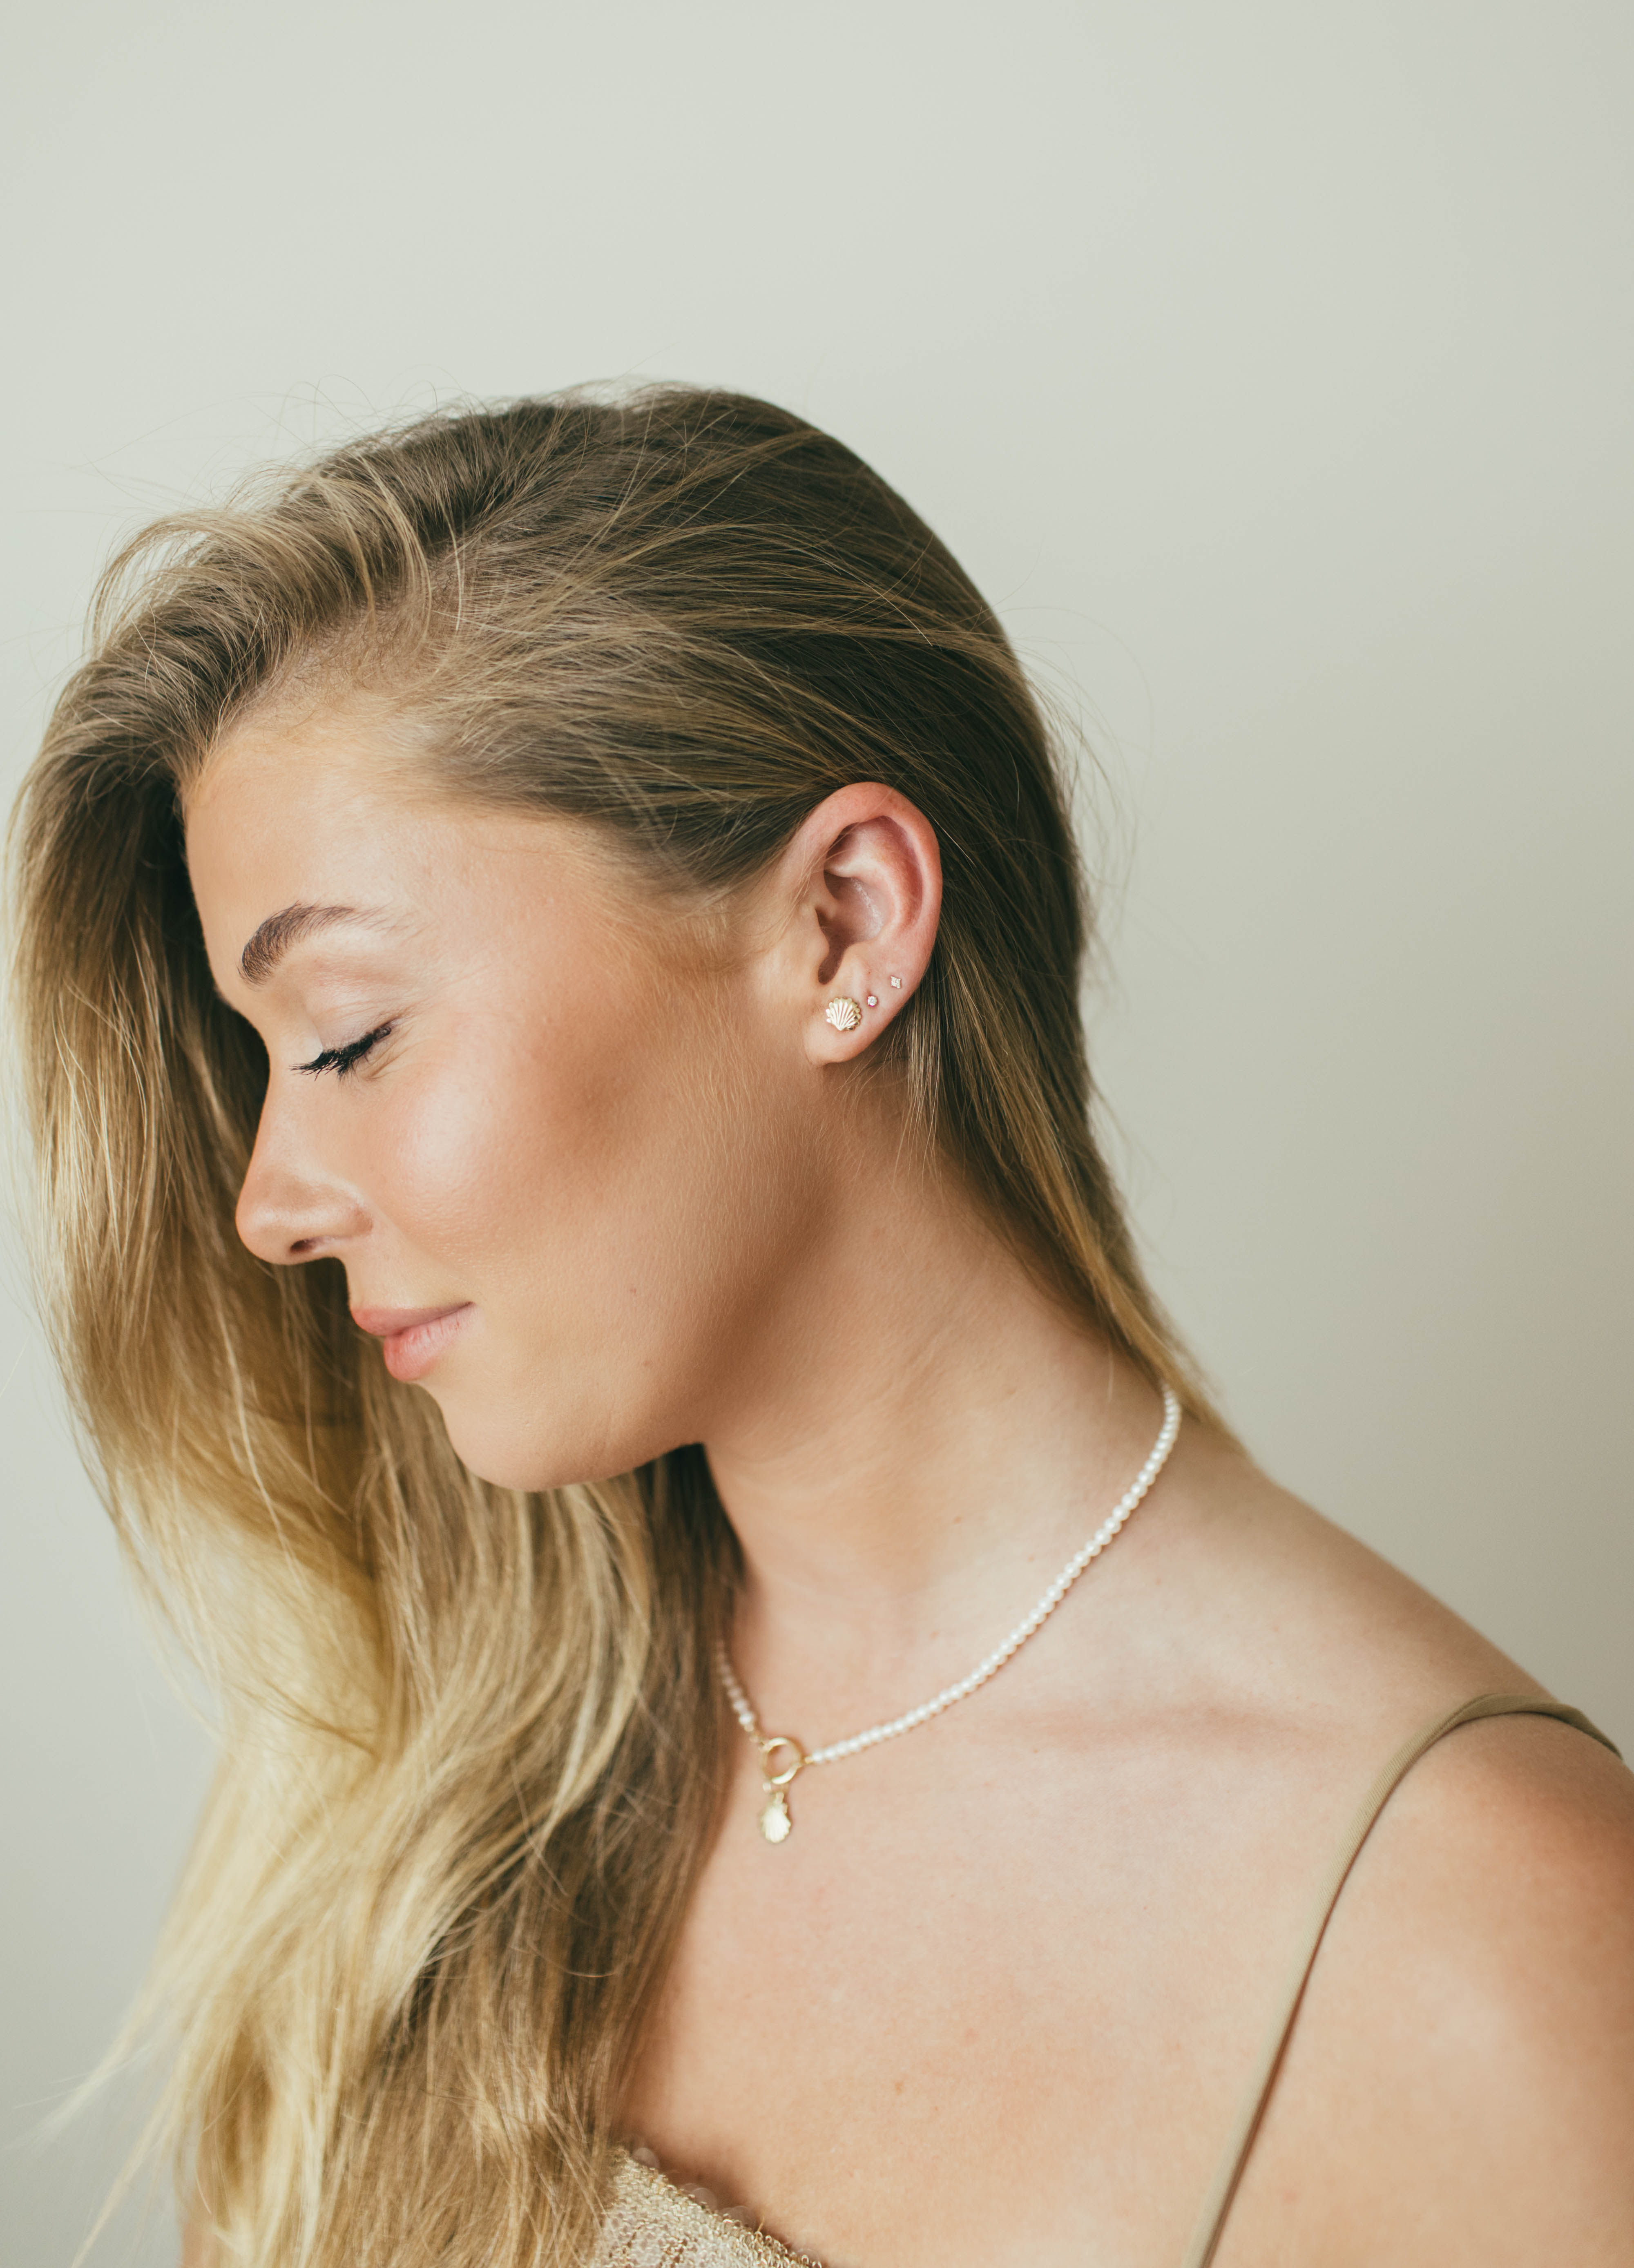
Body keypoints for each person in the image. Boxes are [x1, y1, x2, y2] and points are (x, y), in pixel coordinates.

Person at [11, 387, 1632, 2268]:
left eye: (354, 1035)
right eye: (266, 1063)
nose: (269, 1201)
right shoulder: (418, 1813)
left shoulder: (1483, 1942)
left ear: (848, 929)